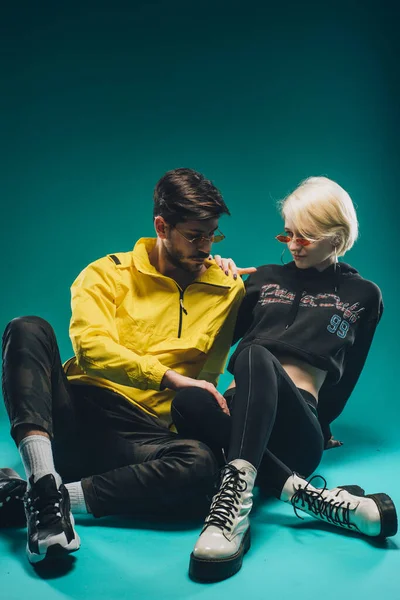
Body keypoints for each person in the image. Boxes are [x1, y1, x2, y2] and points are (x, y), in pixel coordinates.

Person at [0, 168, 252, 564]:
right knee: (27, 328)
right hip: (77, 410)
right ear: (161, 226)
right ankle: (44, 478)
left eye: (213, 234)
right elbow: (90, 350)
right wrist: (167, 376)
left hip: (141, 436)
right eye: (194, 235)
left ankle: (45, 498)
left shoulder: (227, 288)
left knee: (203, 465)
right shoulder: (106, 273)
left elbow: (207, 375)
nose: (205, 246)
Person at [170, 176, 398, 582]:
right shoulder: (261, 278)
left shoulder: (364, 294)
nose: (293, 244)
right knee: (188, 402)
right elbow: (211, 340)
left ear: (337, 236)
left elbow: (349, 373)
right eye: (289, 233)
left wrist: (323, 426)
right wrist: (217, 284)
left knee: (257, 354)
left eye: (306, 237)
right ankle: (310, 499)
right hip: (239, 414)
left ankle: (233, 508)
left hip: (296, 430)